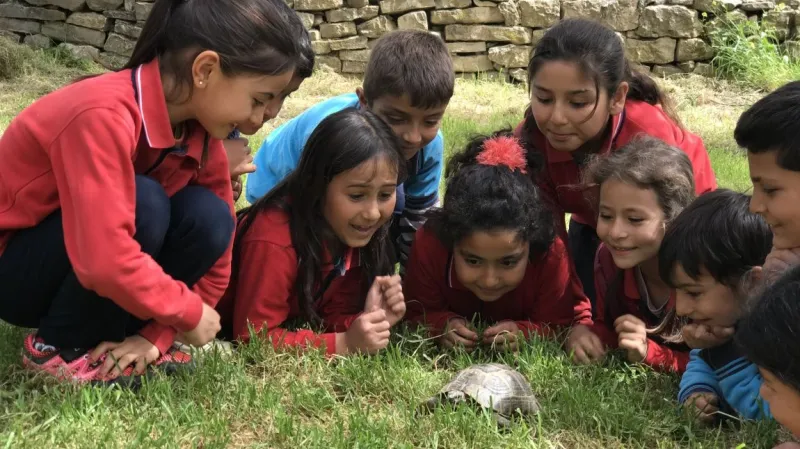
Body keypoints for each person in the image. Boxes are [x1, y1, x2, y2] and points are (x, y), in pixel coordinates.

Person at [0, 0, 309, 384]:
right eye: (260, 98)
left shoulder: (199, 134)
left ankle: (114, 340)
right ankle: (58, 346)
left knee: (207, 214)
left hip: (90, 266)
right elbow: (103, 256)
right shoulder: (102, 114)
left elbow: (219, 247)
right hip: (15, 271)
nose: (268, 115)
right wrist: (186, 312)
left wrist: (157, 336)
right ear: (205, 70)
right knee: (144, 201)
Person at [514, 18, 716, 307]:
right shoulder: (530, 141)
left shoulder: (647, 132)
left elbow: (666, 228)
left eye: (578, 103)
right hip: (599, 222)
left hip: (681, 223)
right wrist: (572, 314)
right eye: (544, 98)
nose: (556, 118)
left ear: (617, 98)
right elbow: (549, 236)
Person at [245, 30, 455, 271]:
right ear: (364, 102)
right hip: (279, 189)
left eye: (429, 121)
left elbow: (418, 218)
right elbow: (308, 208)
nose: (413, 136)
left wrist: (414, 285)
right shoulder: (329, 134)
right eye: (396, 118)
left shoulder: (429, 146)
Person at [215, 108, 407, 356]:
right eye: (357, 195)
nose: (372, 212)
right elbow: (254, 337)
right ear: (317, 186)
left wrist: (367, 320)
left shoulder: (350, 228)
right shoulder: (274, 237)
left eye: (385, 195)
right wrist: (343, 344)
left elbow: (327, 316)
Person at [404, 131, 593, 352]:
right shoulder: (430, 244)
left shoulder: (550, 254)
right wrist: (439, 326)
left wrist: (526, 332)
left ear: (531, 244)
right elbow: (415, 311)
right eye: (473, 261)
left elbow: (561, 323)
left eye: (508, 262)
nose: (490, 280)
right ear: (450, 240)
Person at [565, 136, 695, 373]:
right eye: (606, 216)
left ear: (675, 219)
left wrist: (651, 353)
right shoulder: (608, 259)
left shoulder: (703, 273)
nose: (615, 232)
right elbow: (609, 326)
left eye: (635, 219)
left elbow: (720, 364)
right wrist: (586, 334)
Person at [658, 189, 773, 424]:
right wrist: (696, 392)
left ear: (752, 283)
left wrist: (723, 353)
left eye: (693, 292)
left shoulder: (782, 333)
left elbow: (772, 416)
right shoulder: (723, 323)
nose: (681, 309)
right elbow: (702, 361)